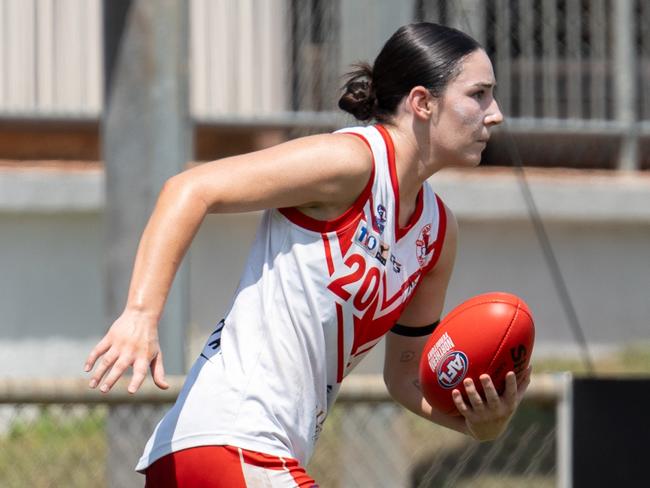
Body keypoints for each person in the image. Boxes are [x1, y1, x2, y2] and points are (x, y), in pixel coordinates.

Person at [84, 22, 531, 487]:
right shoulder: (351, 162)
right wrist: (140, 312)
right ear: (422, 102)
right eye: (478, 94)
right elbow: (190, 189)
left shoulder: (437, 233)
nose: (495, 113)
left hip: (243, 452)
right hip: (232, 438)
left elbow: (404, 377)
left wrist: (478, 424)